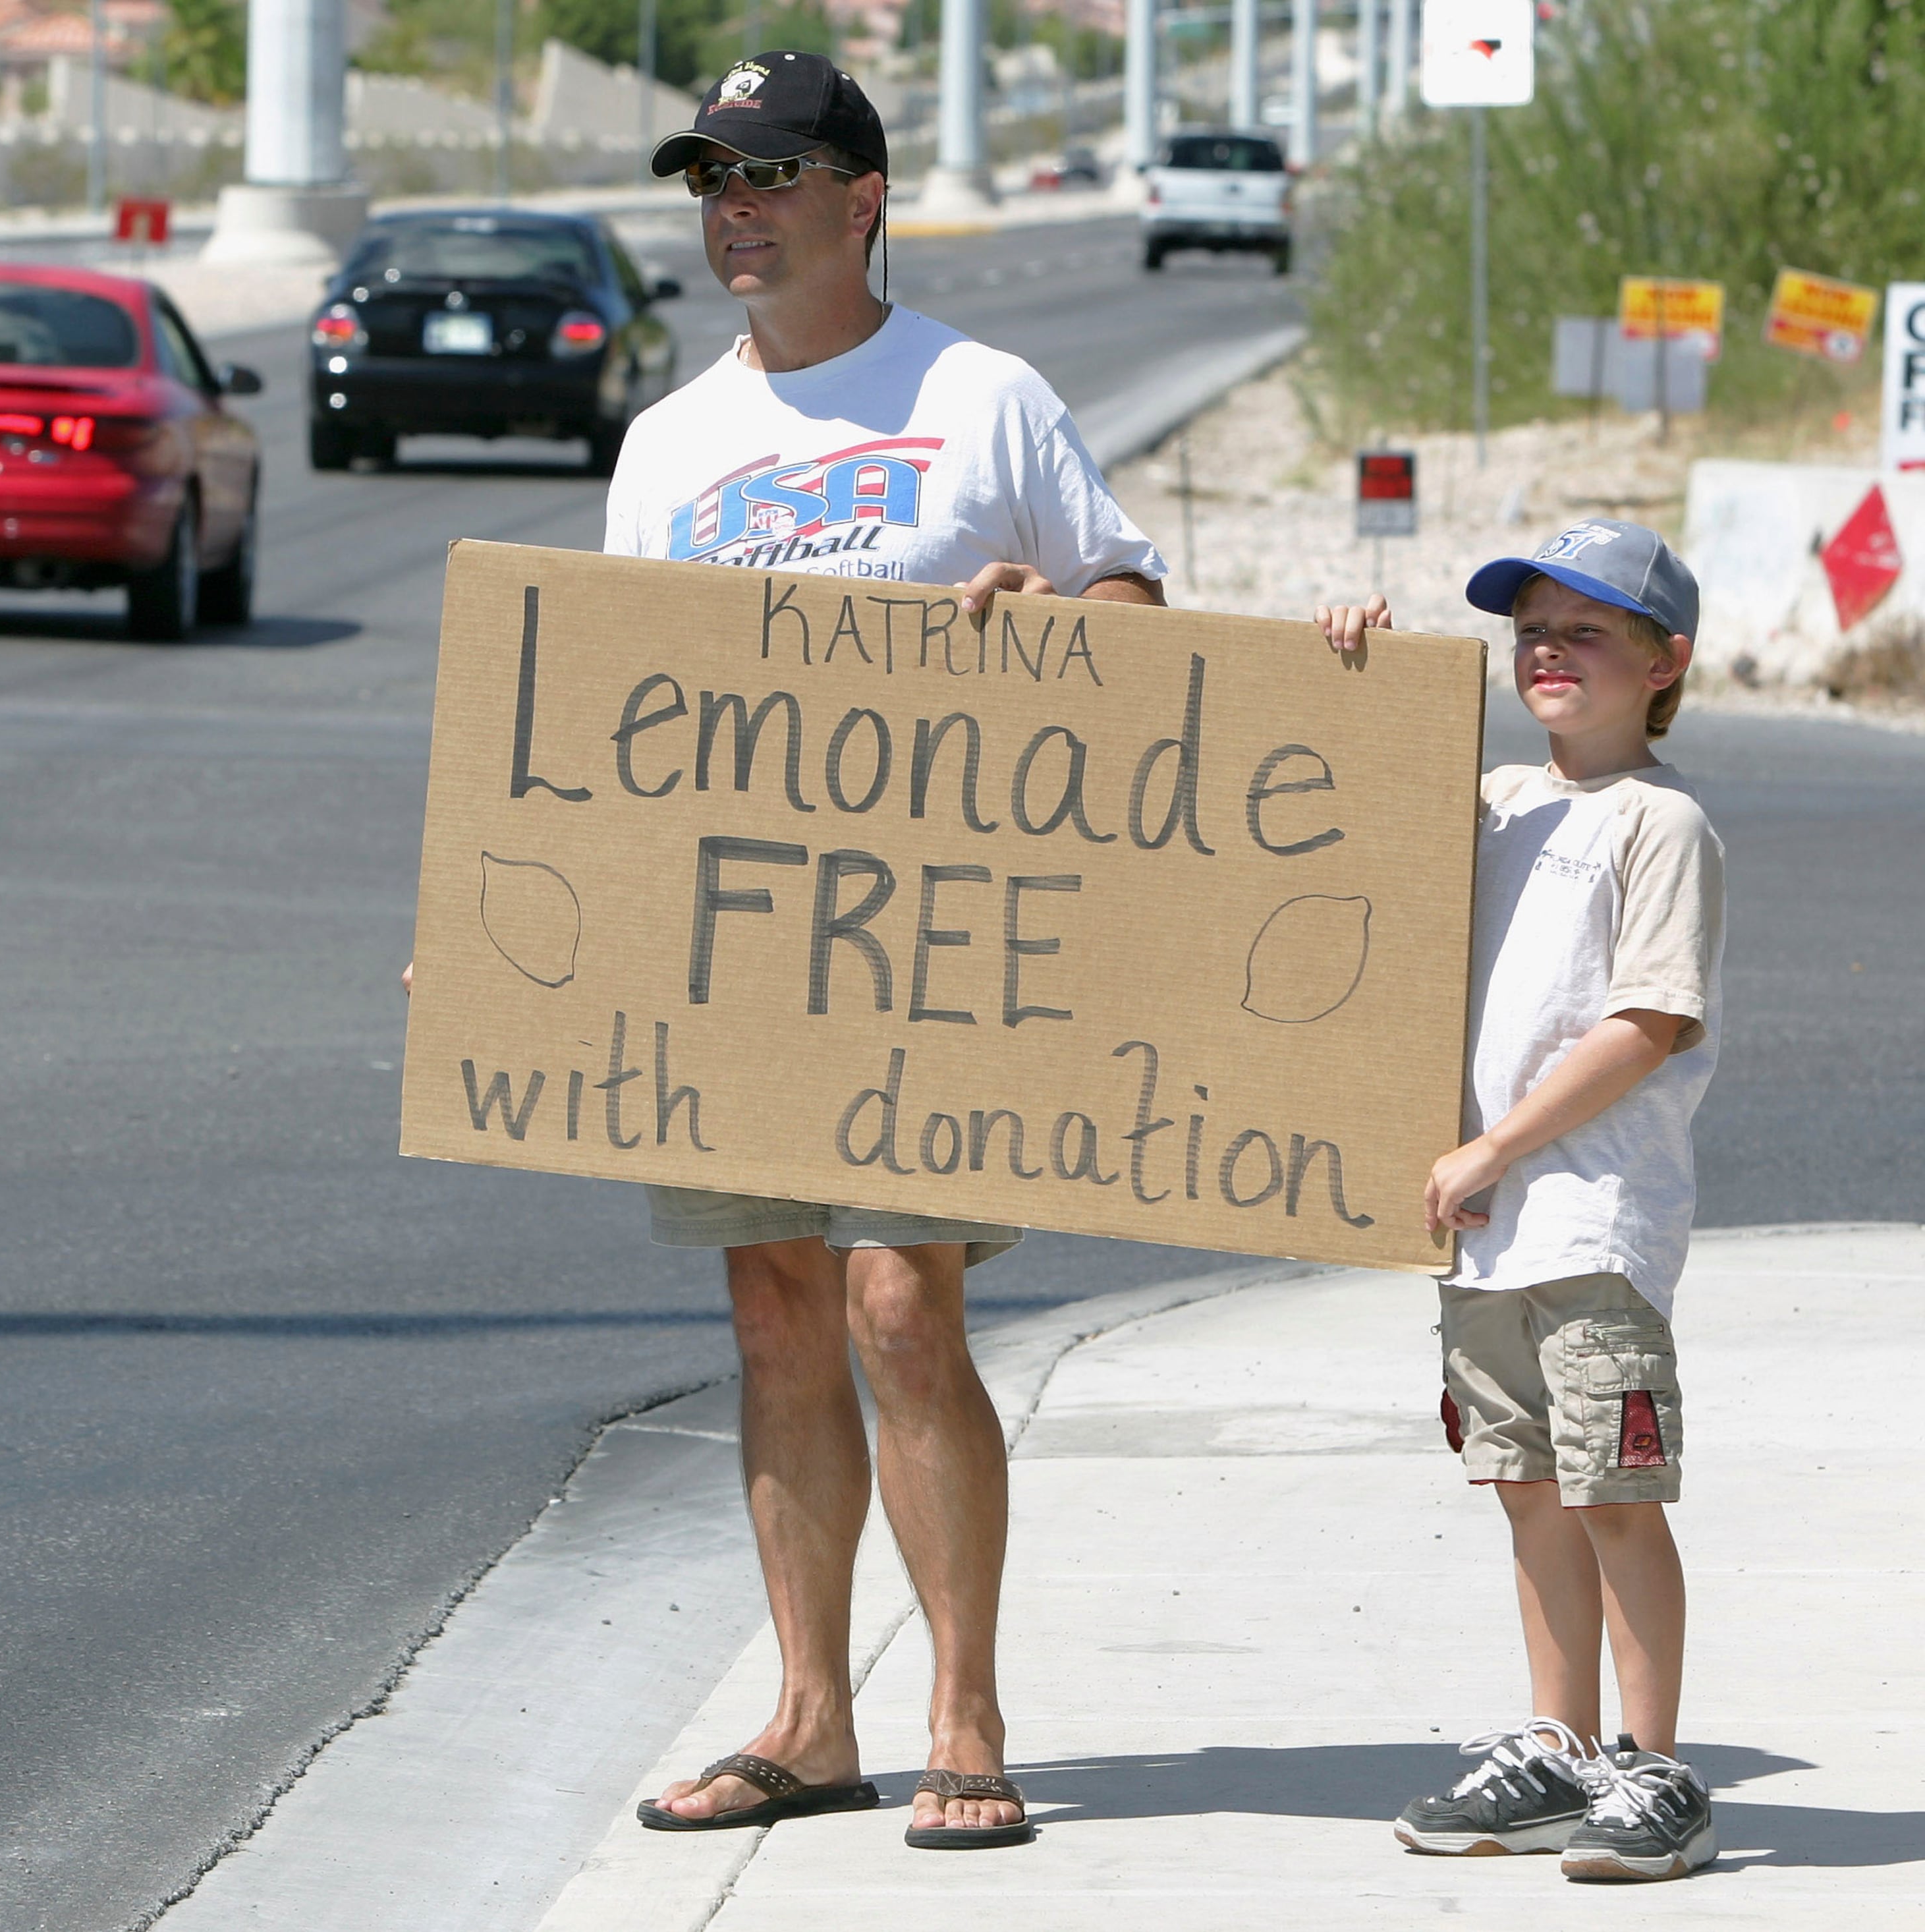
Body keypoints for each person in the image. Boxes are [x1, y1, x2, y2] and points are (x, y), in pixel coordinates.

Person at [611, 52, 1167, 1851]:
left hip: (941, 950)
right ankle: (810, 1712)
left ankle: (964, 1702)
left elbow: (1133, 606)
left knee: (896, 1297)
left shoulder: (984, 396)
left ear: (864, 199)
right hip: (736, 950)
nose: (735, 204)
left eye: (770, 171)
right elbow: (605, 725)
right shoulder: (669, 444)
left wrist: (1050, 628)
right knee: (773, 1301)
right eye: (713, 175)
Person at [1316, 519, 1723, 1883]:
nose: (1549, 650)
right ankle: (1559, 1745)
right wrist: (1356, 675)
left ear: (1665, 663)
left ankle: (1654, 1765)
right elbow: (1346, 812)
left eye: (1587, 629)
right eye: (1530, 628)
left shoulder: (1659, 823)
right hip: (1483, 1233)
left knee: (1615, 1490)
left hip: (1592, 1219)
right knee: (1528, 1486)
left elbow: (1647, 1021)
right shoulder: (1492, 801)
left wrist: (1493, 1150)